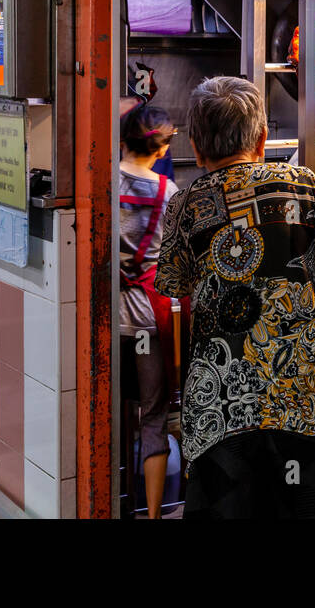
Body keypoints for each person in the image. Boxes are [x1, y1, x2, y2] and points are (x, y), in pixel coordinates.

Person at [156, 76, 315, 519]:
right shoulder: (300, 185)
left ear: (196, 146)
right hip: (314, 399)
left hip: (224, 410)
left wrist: (187, 395)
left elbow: (181, 305)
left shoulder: (184, 206)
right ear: (260, 139)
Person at [117, 104, 179, 518]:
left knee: (110, 412)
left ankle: (111, 502)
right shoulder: (168, 193)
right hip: (147, 323)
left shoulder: (100, 183)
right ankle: (154, 515)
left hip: (106, 321)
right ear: (161, 149)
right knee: (153, 417)